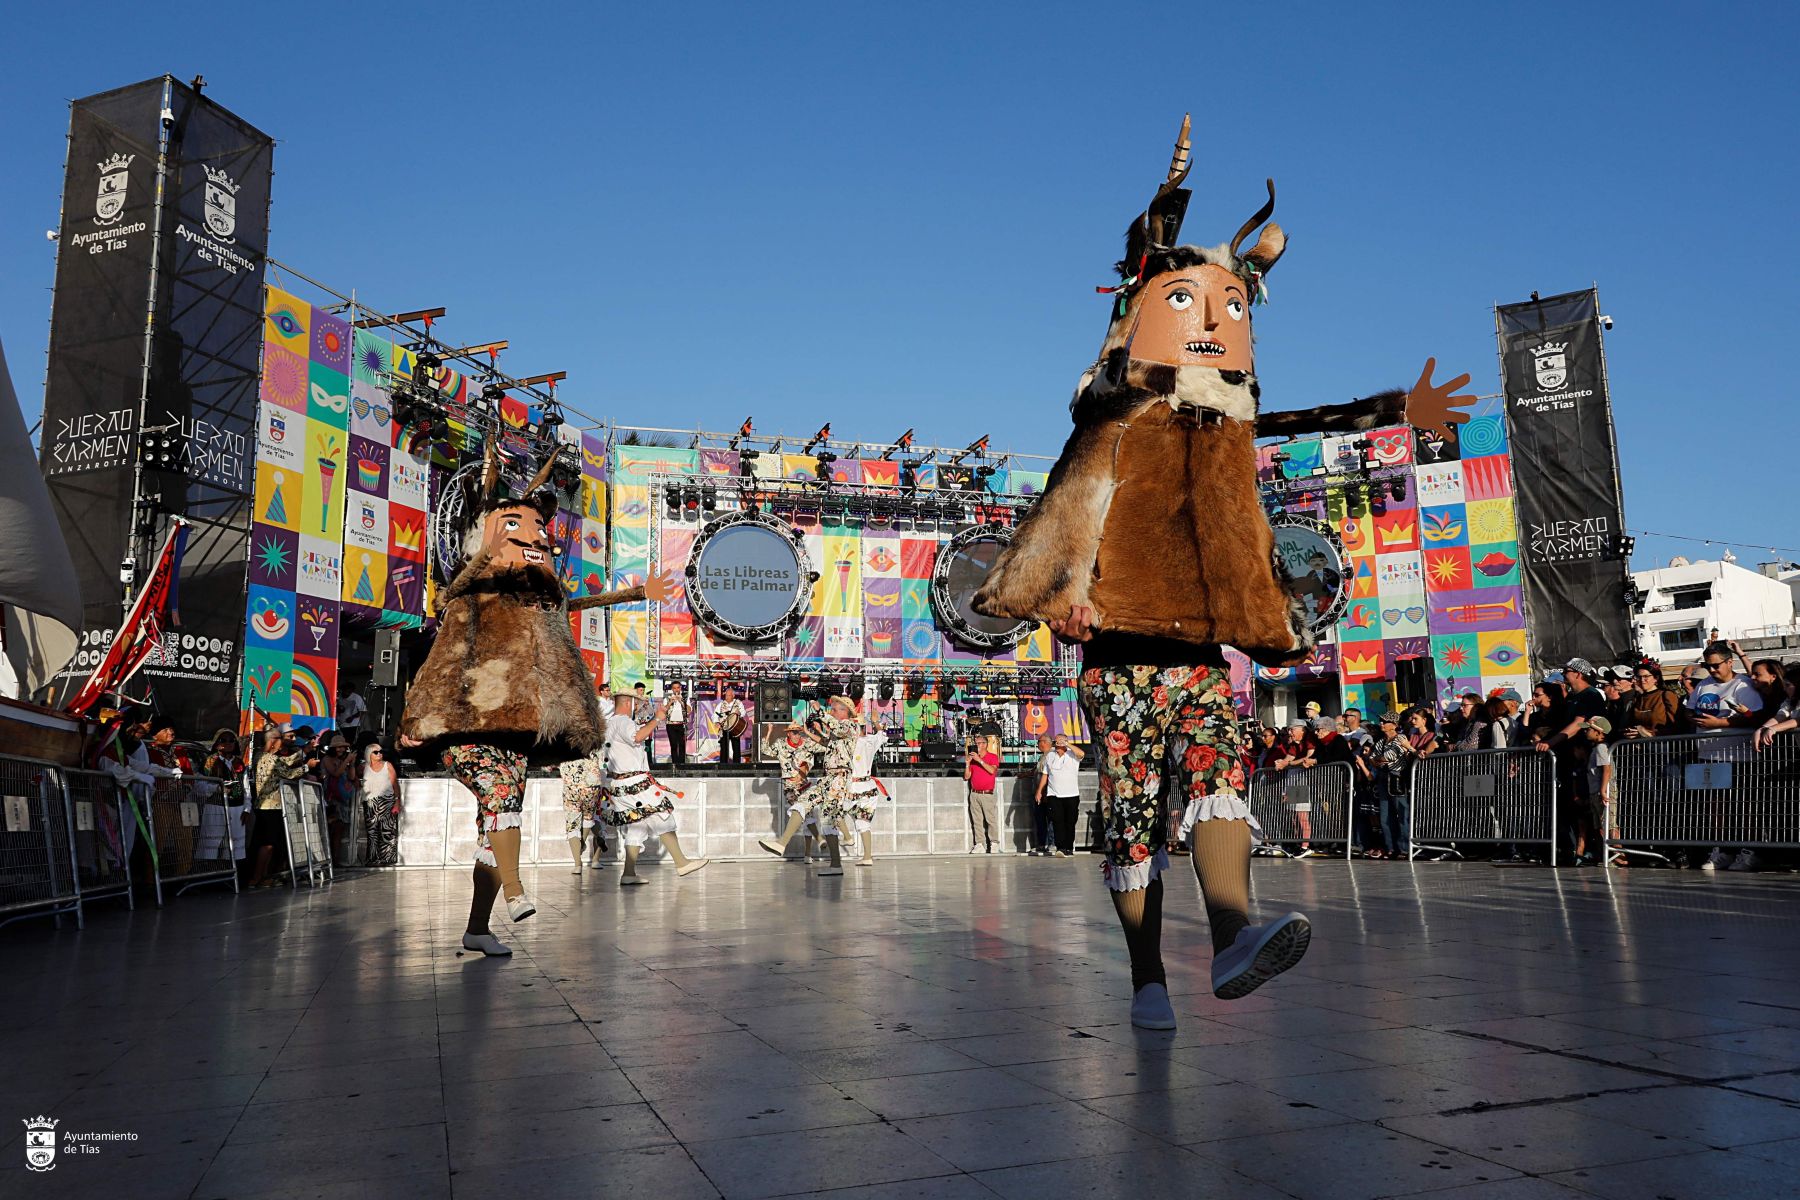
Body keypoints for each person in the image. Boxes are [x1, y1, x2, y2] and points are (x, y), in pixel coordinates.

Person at [401, 443, 671, 954]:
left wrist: (635, 595)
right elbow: (441, 659)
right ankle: (517, 891)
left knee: (492, 834)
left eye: (538, 529)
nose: (534, 536)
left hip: (516, 734)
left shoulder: (538, 602)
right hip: (469, 728)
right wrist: (419, 718)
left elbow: (580, 600)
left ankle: (477, 930)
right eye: (515, 527)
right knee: (502, 801)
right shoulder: (470, 596)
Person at [600, 689, 708, 885]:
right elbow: (637, 737)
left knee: (636, 826)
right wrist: (657, 719)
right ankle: (681, 862)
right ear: (628, 703)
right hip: (635, 783)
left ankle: (629, 874)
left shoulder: (610, 724)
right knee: (662, 813)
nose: (640, 706)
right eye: (637, 702)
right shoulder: (623, 721)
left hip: (620, 784)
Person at [1684, 642, 1764, 872]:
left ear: (1730, 662)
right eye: (1707, 666)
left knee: (1745, 806)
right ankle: (1722, 850)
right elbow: (1689, 709)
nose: (1712, 671)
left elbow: (1755, 716)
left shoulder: (1744, 684)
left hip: (1739, 756)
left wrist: (1721, 723)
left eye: (1716, 666)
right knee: (1715, 807)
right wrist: (1695, 718)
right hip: (1709, 754)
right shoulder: (1704, 685)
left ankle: (1750, 850)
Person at [246, 728, 311, 887]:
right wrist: (307, 766)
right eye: (280, 738)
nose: (283, 741)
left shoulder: (260, 756)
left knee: (269, 843)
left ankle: (263, 877)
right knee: (267, 844)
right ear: (273, 741)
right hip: (271, 807)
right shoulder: (271, 759)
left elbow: (285, 763)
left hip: (265, 806)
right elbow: (288, 773)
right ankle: (256, 878)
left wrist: (304, 752)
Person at [1369, 713, 1415, 860]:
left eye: (1385, 721)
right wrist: (1377, 760)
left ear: (1394, 724)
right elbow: (1371, 758)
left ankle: (1404, 848)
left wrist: (1378, 759)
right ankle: (1391, 847)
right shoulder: (1380, 741)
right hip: (1383, 778)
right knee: (1385, 816)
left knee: (1402, 814)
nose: (1381, 723)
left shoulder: (1400, 738)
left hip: (1397, 778)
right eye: (1381, 720)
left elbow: (1389, 756)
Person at [1037, 734, 1085, 858]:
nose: (1058, 743)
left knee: (1070, 822)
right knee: (1057, 821)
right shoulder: (1050, 756)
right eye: (1056, 741)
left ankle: (1069, 847)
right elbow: (1045, 774)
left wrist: (1067, 744)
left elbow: (1081, 754)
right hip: (1054, 794)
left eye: (1060, 741)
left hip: (1071, 794)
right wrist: (1039, 791)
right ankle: (1061, 847)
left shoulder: (1072, 754)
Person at [360, 743, 402, 867]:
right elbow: (352, 777)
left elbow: (395, 784)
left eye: (381, 751)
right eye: (376, 752)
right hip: (370, 802)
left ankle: (388, 859)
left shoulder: (387, 765)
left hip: (387, 801)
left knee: (387, 831)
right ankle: (372, 859)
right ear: (369, 754)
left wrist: (397, 801)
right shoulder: (363, 767)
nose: (380, 754)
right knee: (371, 832)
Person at [1625, 662, 1687, 738]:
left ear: (1656, 678)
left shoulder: (1666, 695)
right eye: (1638, 677)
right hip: (1644, 745)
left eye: (1646, 676)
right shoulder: (1637, 699)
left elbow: (1677, 724)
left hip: (1664, 742)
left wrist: (1648, 733)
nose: (1642, 680)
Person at [964, 732, 1002, 854]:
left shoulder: (992, 757)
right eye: (976, 743)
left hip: (987, 794)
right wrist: (968, 763)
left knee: (990, 819)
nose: (978, 745)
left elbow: (992, 770)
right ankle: (979, 844)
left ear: (985, 744)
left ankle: (994, 843)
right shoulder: (973, 759)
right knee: (977, 820)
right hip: (974, 793)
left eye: (980, 743)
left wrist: (979, 760)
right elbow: (966, 776)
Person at [1027, 735, 1054, 856]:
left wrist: (1043, 792)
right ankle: (1041, 844)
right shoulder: (1043, 756)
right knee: (1040, 820)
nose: (1037, 744)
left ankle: (1052, 843)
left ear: (1045, 742)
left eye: (1039, 742)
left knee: (1050, 820)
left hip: (1046, 794)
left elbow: (1047, 776)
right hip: (1039, 795)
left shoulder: (1051, 756)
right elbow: (1037, 771)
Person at [715, 685, 747, 766]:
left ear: (733, 695)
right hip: (724, 728)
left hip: (735, 728)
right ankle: (723, 765)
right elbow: (715, 714)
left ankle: (737, 765)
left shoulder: (738, 703)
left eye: (729, 695)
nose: (727, 697)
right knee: (724, 747)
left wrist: (739, 713)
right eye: (726, 695)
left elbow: (743, 712)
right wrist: (716, 722)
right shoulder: (721, 704)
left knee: (736, 747)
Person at [664, 682, 688, 768]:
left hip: (681, 724)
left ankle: (682, 764)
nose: (676, 690)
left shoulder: (685, 697)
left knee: (682, 744)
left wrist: (681, 701)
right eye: (674, 688)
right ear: (672, 689)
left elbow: (689, 710)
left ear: (680, 688)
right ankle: (675, 764)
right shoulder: (667, 698)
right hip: (670, 724)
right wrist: (670, 702)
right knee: (673, 744)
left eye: (678, 688)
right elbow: (664, 710)